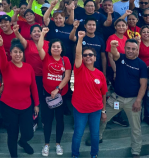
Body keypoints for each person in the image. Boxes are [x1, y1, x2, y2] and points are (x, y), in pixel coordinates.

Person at [100, 39, 148, 158]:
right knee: (102, 118)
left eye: (133, 49)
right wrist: (113, 45)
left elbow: (143, 85)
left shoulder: (141, 64)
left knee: (136, 128)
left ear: (137, 50)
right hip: (116, 98)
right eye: (128, 48)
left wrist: (138, 100)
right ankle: (97, 137)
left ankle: (136, 151)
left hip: (133, 101)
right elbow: (114, 53)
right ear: (125, 48)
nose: (130, 51)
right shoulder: (121, 58)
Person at [0, 36, 39, 157]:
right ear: (11, 53)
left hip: (26, 106)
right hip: (9, 106)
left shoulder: (28, 67)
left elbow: (33, 86)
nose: (18, 54)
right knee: (12, 134)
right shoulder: (6, 66)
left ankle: (23, 142)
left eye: (20, 52)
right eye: (15, 52)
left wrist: (36, 104)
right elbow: (3, 58)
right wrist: (0, 46)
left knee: (29, 133)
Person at [71, 31, 107, 158]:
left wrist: (104, 111)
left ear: (95, 58)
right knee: (78, 133)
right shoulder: (79, 69)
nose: (88, 57)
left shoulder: (100, 74)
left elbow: (103, 94)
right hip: (80, 109)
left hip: (96, 109)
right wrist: (80, 39)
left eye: (91, 55)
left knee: (95, 134)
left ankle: (94, 155)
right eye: (85, 55)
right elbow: (78, 53)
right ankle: (75, 155)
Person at [37, 28, 72, 156]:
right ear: (50, 48)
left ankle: (58, 144)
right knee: (47, 120)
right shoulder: (46, 57)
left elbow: (67, 77)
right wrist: (42, 34)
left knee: (59, 120)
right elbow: (40, 47)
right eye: (53, 47)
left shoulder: (66, 60)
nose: (56, 48)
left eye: (58, 47)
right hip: (47, 94)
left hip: (60, 95)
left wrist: (57, 89)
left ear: (62, 49)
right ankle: (46, 144)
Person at [13, 24, 49, 129]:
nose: (37, 33)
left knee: (45, 99)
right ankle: (34, 121)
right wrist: (16, 32)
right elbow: (21, 39)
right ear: (31, 35)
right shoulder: (27, 43)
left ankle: (45, 121)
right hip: (32, 77)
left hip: (46, 76)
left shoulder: (48, 44)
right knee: (34, 99)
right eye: (34, 31)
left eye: (39, 31)